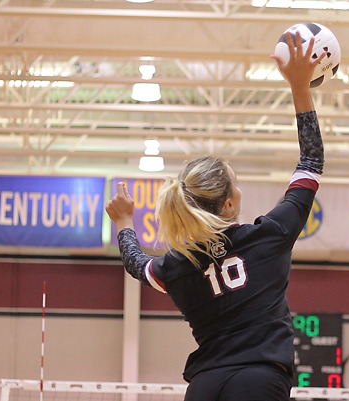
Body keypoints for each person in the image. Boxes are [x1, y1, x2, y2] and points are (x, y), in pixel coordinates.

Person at [105, 31, 323, 401]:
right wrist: (300, 87)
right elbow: (311, 162)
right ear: (227, 205)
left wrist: (124, 223)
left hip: (205, 386)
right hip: (258, 380)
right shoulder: (268, 237)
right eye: (236, 184)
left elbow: (136, 264)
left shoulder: (178, 265)